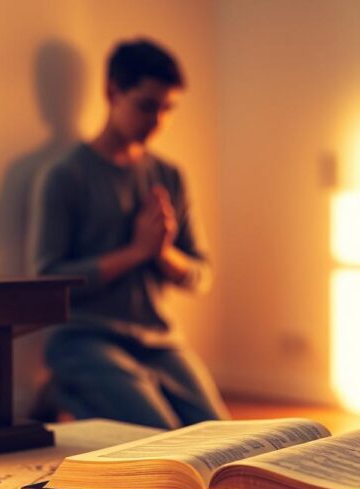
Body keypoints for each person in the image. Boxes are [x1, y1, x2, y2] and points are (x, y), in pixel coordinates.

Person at [30, 38, 229, 429]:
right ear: (112, 92)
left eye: (168, 108)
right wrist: (136, 252)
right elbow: (45, 283)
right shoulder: (65, 175)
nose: (158, 120)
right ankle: (63, 389)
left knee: (223, 439)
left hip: (160, 343)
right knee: (163, 441)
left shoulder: (169, 175)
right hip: (84, 341)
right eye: (147, 106)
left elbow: (202, 275)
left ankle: (78, 393)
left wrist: (163, 253)